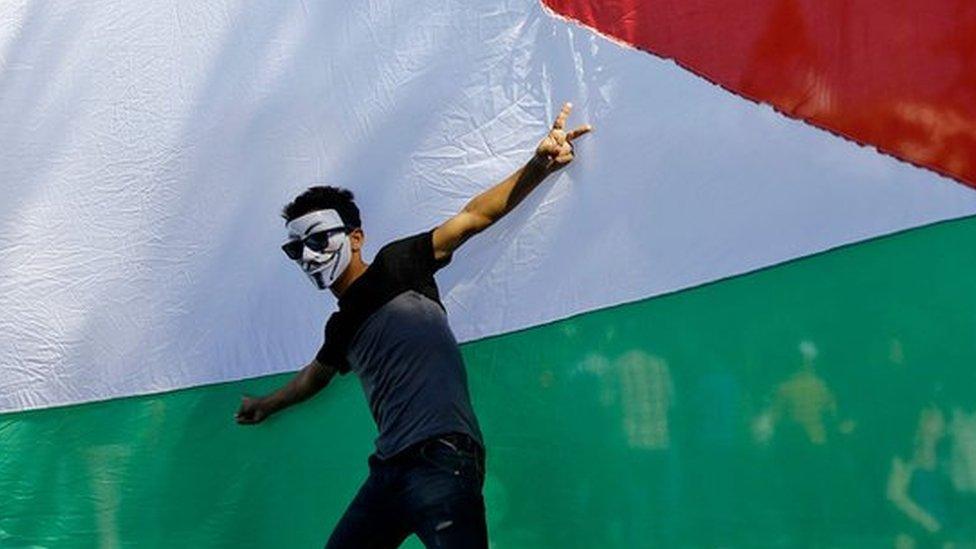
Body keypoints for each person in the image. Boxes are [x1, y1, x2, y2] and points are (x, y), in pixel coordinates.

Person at [235, 102, 592, 548]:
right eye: (296, 250)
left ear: (356, 237)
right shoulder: (340, 327)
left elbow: (474, 217)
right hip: (387, 472)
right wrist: (266, 403)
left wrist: (539, 165)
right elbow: (313, 378)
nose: (308, 256)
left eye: (317, 239)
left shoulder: (398, 264)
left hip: (442, 458)